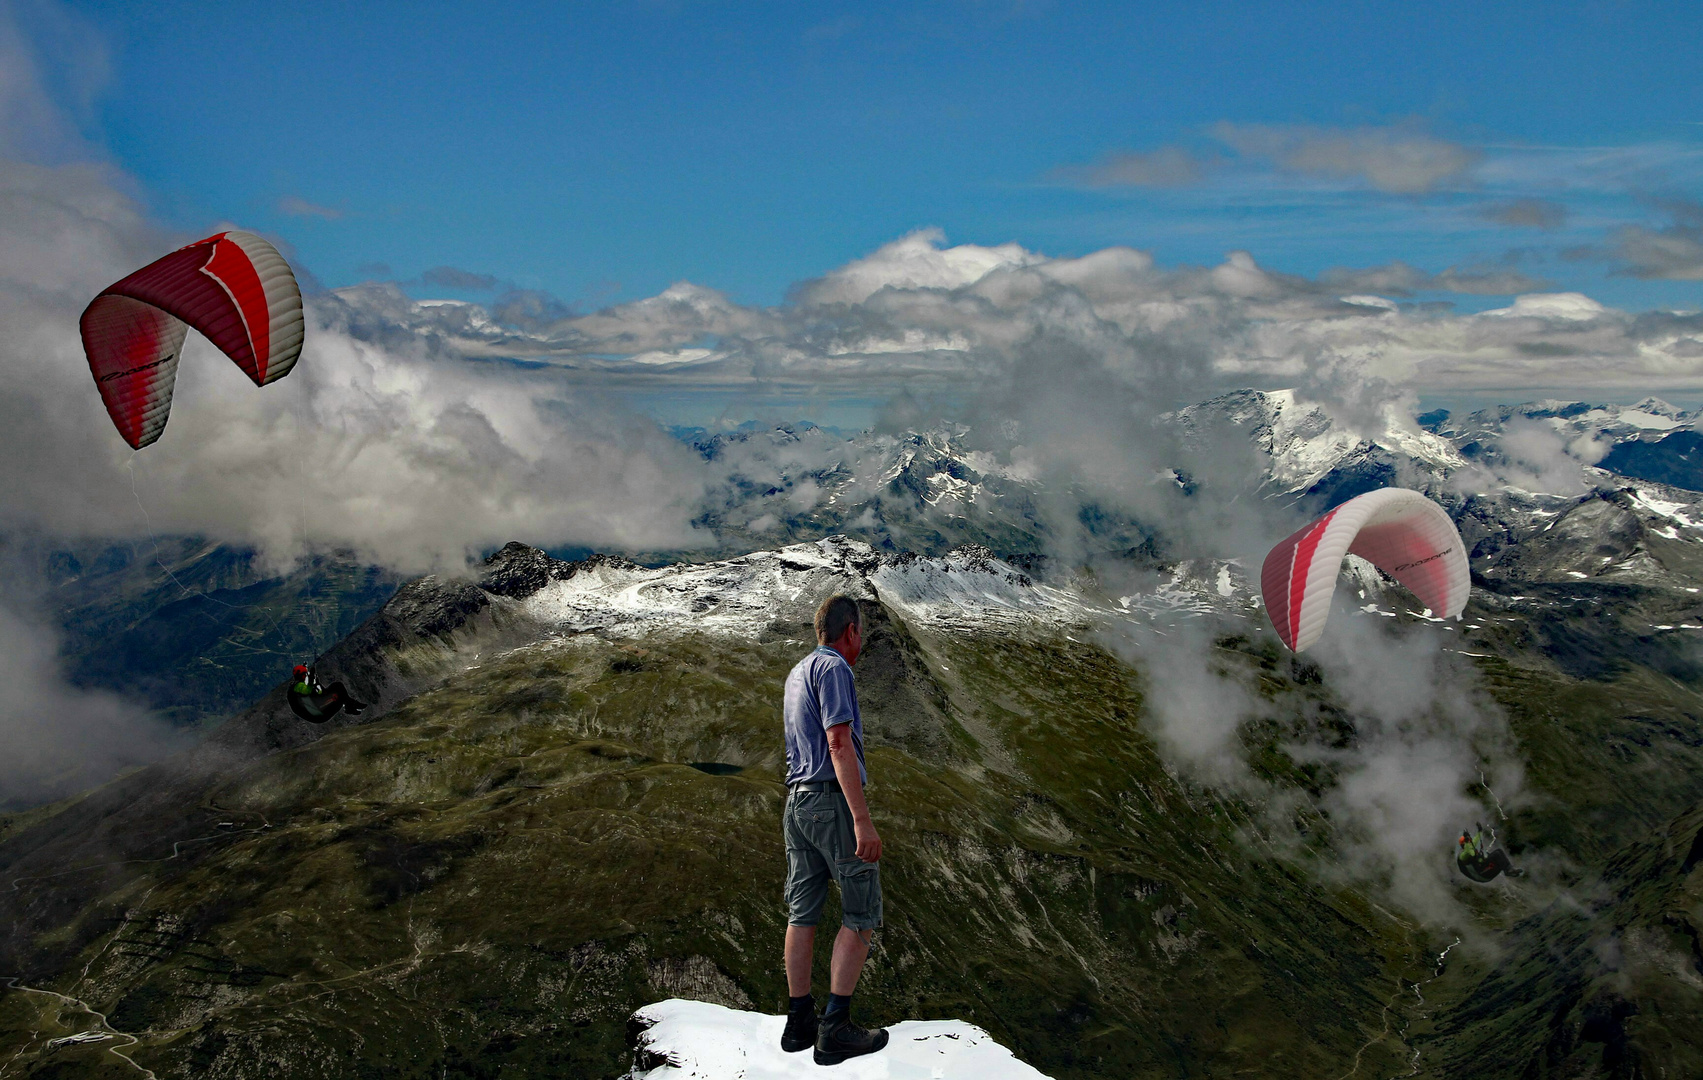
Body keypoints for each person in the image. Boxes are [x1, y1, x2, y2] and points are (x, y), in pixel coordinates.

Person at [779, 595, 888, 1066]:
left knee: (802, 911)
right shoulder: (836, 670)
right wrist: (861, 820)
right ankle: (835, 1028)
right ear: (850, 632)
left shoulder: (796, 672)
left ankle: (799, 1018)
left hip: (796, 803)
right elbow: (838, 742)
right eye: (860, 633)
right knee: (861, 910)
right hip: (831, 803)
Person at [286, 664, 367, 723]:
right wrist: (312, 681)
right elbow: (308, 691)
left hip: (317, 715)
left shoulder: (296, 689)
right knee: (338, 687)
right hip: (319, 713)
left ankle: (350, 706)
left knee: (339, 694)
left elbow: (321, 693)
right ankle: (350, 707)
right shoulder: (298, 686)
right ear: (303, 675)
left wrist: (316, 683)